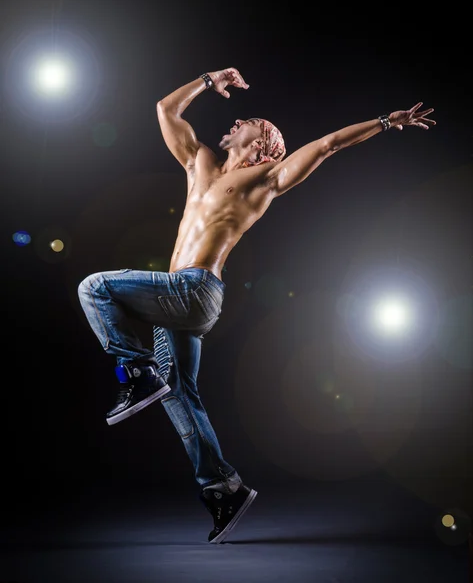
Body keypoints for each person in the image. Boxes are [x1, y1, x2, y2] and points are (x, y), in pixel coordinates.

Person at [77, 67, 435, 543]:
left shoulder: (266, 177)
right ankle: (224, 488)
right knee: (180, 395)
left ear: (263, 144)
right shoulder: (198, 163)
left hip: (197, 290)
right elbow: (166, 109)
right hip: (177, 297)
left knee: (95, 286)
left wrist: (387, 122)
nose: (234, 121)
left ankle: (136, 373)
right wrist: (208, 80)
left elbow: (327, 145)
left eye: (247, 121)